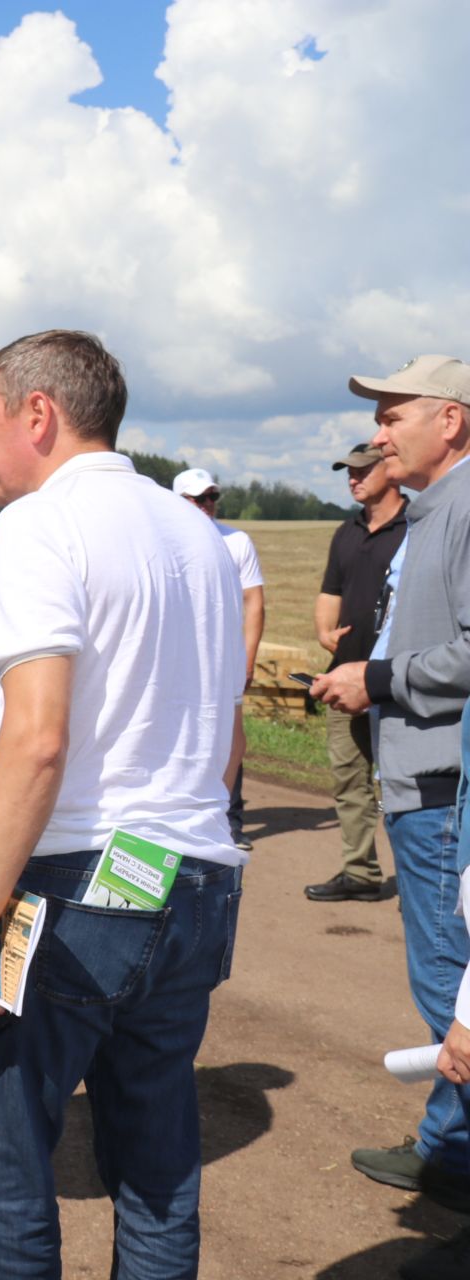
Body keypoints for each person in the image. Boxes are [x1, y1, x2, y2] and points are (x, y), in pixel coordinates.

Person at [0, 330, 244, 1279]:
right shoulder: (197, 534)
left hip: (78, 884)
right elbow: (224, 726)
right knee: (156, 1161)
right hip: (198, 880)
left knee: (4, 1164)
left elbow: (36, 740)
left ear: (40, 415)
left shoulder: (43, 523)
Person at [310, 356, 470, 1266]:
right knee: (448, 988)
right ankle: (450, 1150)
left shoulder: (465, 507)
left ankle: (453, 1159)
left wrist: (378, 679)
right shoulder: (430, 510)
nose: (379, 432)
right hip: (422, 770)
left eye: (394, 414)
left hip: (444, 781)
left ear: (451, 419)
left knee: (453, 991)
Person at [304, 443, 405, 902]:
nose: (353, 478)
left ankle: (420, 879)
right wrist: (325, 631)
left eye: (363, 469)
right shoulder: (346, 531)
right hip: (343, 678)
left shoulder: (415, 527)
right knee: (349, 779)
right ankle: (360, 873)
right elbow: (331, 591)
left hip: (395, 682)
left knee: (407, 781)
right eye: (348, 471)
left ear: (390, 470)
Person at [172, 467, 265, 850]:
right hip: (178, 657)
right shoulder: (163, 541)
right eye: (198, 498)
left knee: (230, 738)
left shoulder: (236, 541)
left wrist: (248, 657)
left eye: (212, 497)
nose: (207, 505)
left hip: (223, 658)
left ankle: (230, 821)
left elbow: (254, 602)